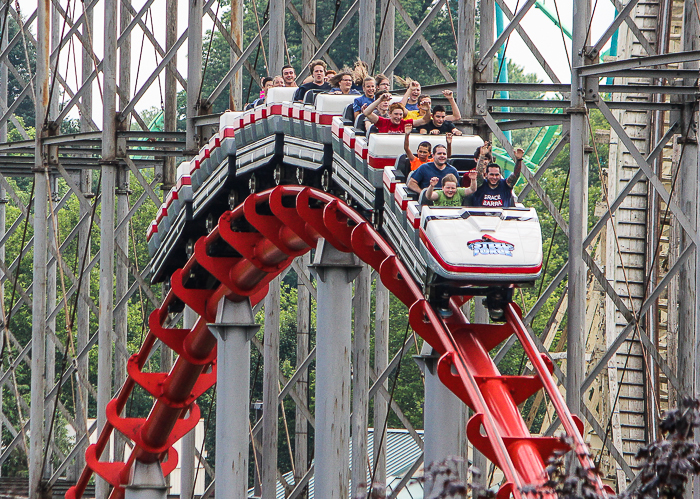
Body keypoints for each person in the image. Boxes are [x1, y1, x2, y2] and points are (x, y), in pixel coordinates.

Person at [362, 92, 431, 133]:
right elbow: (366, 113)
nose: (398, 117)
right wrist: (380, 100)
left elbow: (425, 120)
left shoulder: (405, 123)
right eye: (396, 114)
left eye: (400, 114)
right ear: (390, 114)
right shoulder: (383, 122)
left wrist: (427, 110)